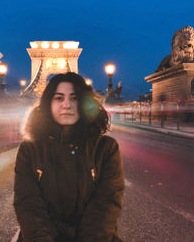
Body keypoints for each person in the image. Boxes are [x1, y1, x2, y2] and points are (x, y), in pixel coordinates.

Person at [13, 72, 124, 242]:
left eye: (74, 98)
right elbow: (29, 204)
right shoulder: (29, 150)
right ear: (48, 103)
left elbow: (106, 206)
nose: (66, 104)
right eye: (58, 98)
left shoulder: (106, 148)